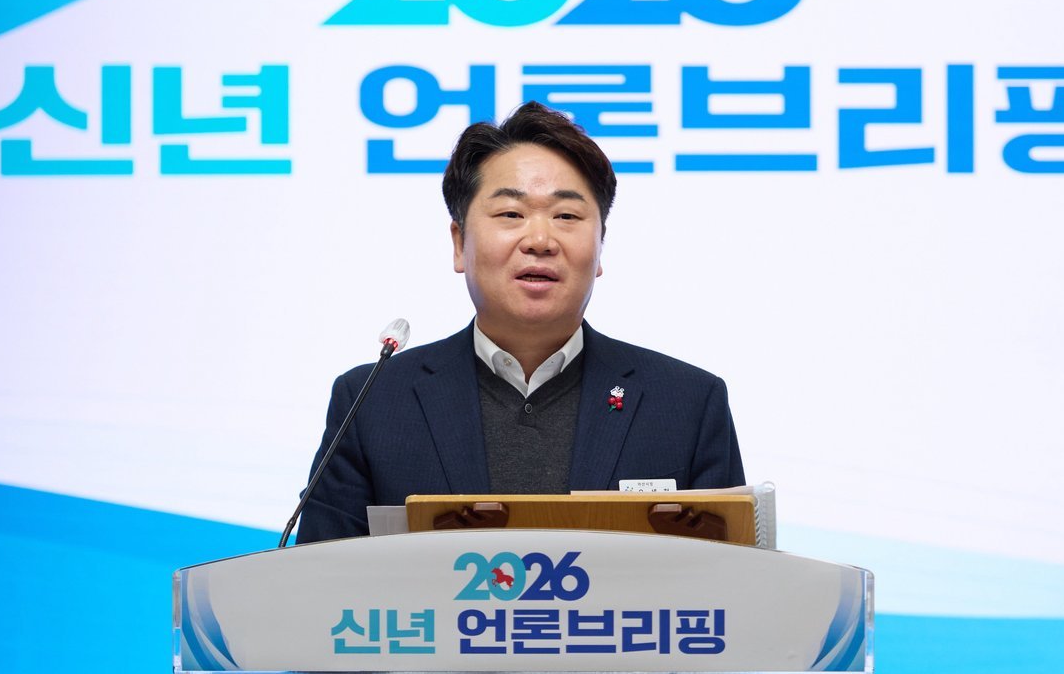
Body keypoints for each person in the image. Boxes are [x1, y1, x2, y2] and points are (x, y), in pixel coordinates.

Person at [296, 102, 744, 542]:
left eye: (566, 216)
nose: (540, 240)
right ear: (459, 243)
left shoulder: (687, 404)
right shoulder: (372, 403)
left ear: (600, 247)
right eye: (511, 214)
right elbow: (320, 579)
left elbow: (732, 579)